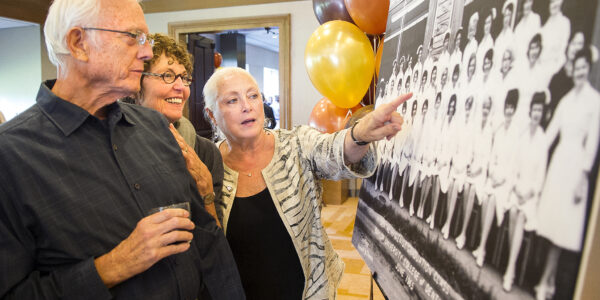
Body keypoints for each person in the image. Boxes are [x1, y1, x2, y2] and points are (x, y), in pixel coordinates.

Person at [0, 0, 244, 299]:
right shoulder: (11, 155)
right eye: (133, 37)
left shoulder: (155, 127)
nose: (147, 52)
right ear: (78, 43)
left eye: (147, 39)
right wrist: (112, 266)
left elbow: (206, 240)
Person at [198, 67, 410, 299]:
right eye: (232, 100)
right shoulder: (206, 165)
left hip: (306, 290)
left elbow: (334, 150)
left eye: (253, 95)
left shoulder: (296, 143)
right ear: (211, 115)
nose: (246, 106)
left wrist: (360, 134)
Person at [133, 33, 223, 224]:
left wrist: (206, 191)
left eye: (184, 77)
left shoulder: (205, 153)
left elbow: (217, 235)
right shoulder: (115, 145)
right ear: (135, 83)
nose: (181, 87)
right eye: (168, 75)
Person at [536, 47, 600, 300]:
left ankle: (545, 283)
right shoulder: (566, 100)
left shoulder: (595, 101)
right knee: (552, 227)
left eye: (584, 67)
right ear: (573, 69)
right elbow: (549, 135)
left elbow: (592, 144)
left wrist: (583, 179)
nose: (580, 72)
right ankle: (547, 282)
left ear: (589, 69)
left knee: (563, 231)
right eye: (577, 67)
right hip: (559, 165)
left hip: (575, 170)